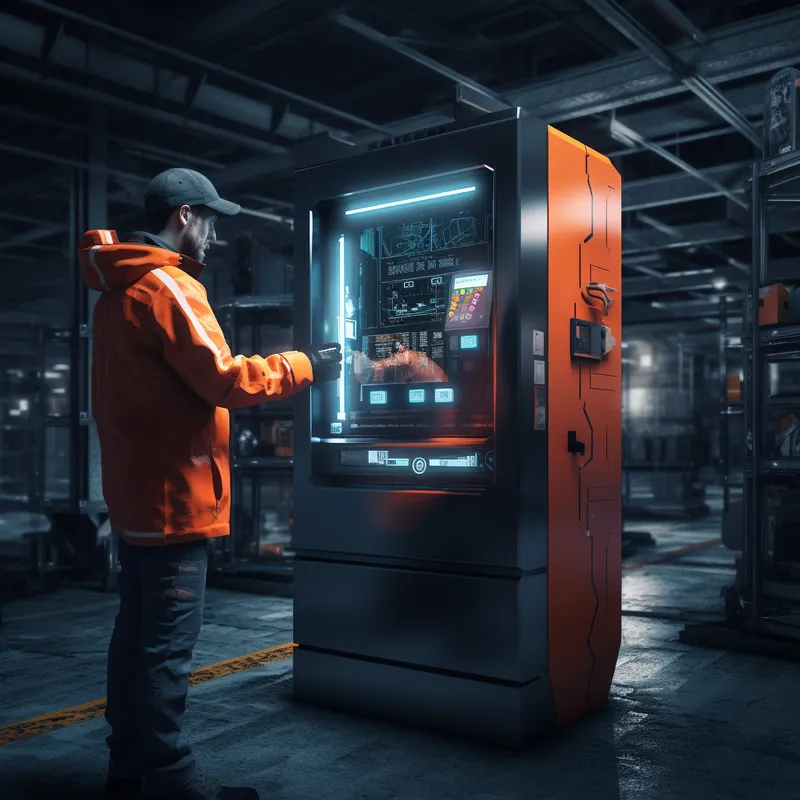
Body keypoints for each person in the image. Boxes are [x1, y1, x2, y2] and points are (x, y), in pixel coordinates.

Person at [79, 168, 341, 800]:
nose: (216, 236)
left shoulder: (116, 291)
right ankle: (172, 783)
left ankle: (128, 771)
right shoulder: (169, 286)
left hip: (138, 501)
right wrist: (309, 364)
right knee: (167, 650)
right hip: (176, 504)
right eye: (212, 221)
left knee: (134, 639)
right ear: (186, 217)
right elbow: (227, 379)